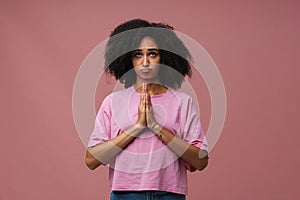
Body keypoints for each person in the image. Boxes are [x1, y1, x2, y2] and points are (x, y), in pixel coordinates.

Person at [85, 19, 209, 200]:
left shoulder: (183, 102)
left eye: (152, 54)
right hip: (125, 194)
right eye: (137, 54)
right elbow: (91, 160)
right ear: (127, 58)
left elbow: (201, 160)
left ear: (164, 57)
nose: (145, 62)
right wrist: (137, 127)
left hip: (169, 194)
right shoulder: (113, 102)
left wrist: (155, 126)